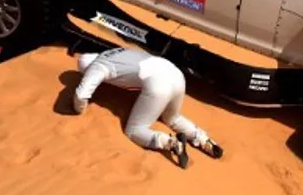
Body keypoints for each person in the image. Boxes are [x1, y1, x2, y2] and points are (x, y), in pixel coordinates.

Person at [71, 46, 223, 167]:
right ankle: (204, 139)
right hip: (176, 75)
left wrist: (78, 109)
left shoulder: (98, 66)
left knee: (134, 130)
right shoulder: (117, 50)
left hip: (157, 84)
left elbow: (81, 95)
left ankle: (171, 143)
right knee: (172, 117)